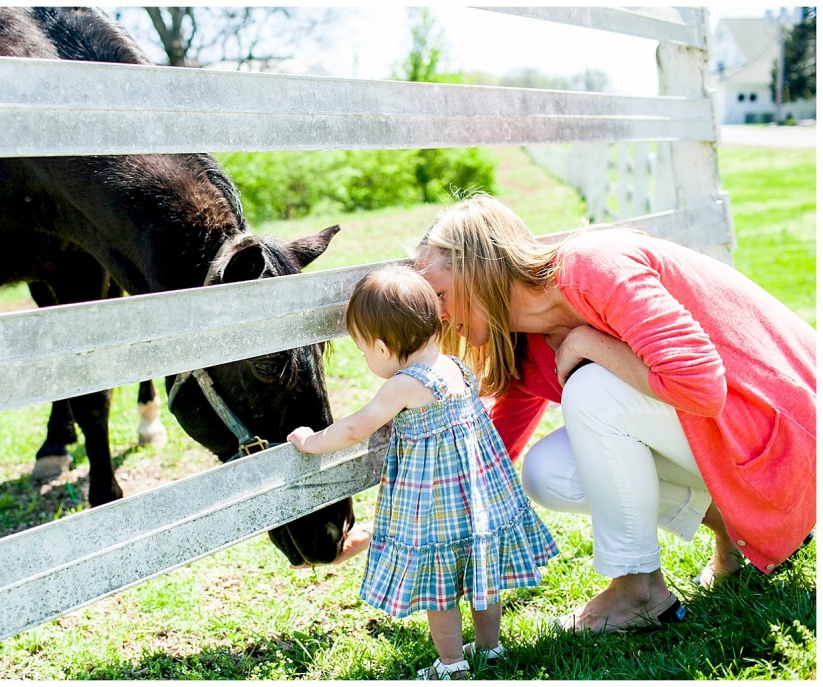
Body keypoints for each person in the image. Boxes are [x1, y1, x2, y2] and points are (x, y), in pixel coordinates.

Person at [413, 193, 816, 635]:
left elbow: (700, 386)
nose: (438, 315)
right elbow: (489, 458)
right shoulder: (526, 347)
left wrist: (588, 344)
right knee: (548, 472)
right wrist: (418, 523)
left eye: (440, 295)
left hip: (789, 437)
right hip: (741, 443)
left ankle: (637, 592)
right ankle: (740, 530)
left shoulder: (591, 266)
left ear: (481, 268)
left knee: (591, 389)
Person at [288, 265, 558, 679]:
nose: (365, 358)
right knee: (483, 577)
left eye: (363, 351)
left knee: (440, 588)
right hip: (479, 500)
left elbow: (357, 427)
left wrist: (311, 441)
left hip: (436, 508)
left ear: (381, 346)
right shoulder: (457, 367)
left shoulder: (404, 385)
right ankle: (491, 649)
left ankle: (451, 665)